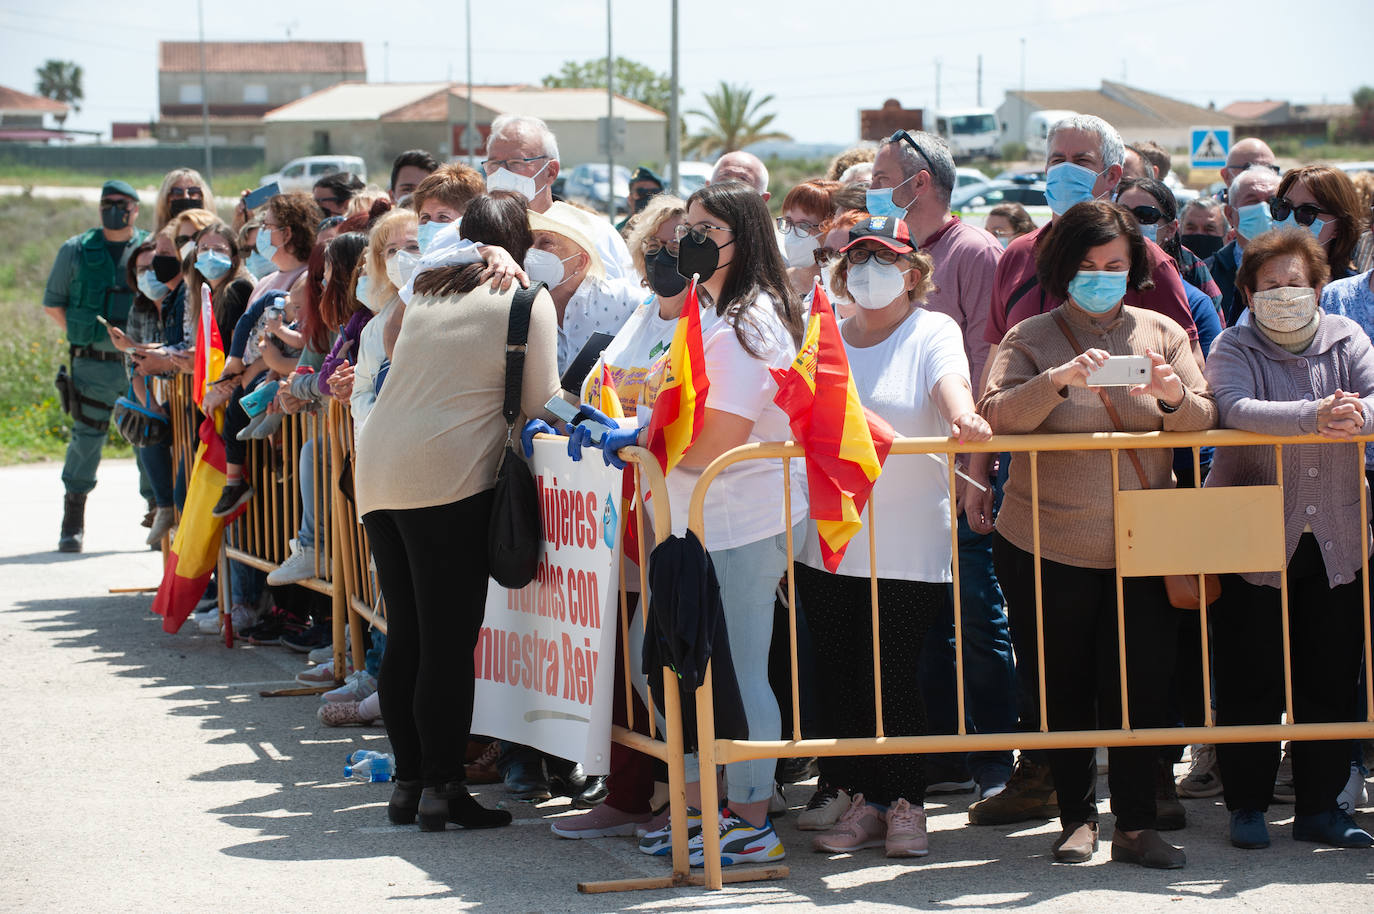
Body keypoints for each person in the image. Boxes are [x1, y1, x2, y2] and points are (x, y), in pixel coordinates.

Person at [570, 180, 807, 866]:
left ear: (744, 236)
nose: (690, 241)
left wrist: (638, 439)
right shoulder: (705, 311)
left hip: (739, 518)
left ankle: (753, 822)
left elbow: (720, 438)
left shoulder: (747, 321)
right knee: (668, 661)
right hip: (693, 520)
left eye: (708, 228)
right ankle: (709, 812)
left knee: (735, 670)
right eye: (687, 228)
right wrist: (633, 427)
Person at [980, 200, 1217, 868]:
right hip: (1044, 540)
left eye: (1115, 265)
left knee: (1142, 685)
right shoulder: (1029, 336)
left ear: (1134, 267)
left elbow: (1201, 418)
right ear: (1063, 267)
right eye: (1088, 266)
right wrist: (1057, 382)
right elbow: (997, 416)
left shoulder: (1164, 331)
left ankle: (1138, 823)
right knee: (1061, 685)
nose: (1103, 276)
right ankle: (1076, 818)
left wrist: (1172, 396)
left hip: (1146, 543)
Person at [354, 191, 562, 833]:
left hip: (380, 473)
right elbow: (541, 400)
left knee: (408, 635)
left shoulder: (428, 289)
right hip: (445, 478)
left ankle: (410, 783)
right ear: (521, 242)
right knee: (448, 643)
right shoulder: (527, 298)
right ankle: (444, 786)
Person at [794, 216, 991, 859]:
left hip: (905, 542)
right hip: (828, 536)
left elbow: (950, 385)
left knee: (895, 674)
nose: (868, 273)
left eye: (883, 259)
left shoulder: (933, 329)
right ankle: (862, 800)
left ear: (913, 273)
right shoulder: (822, 334)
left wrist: (964, 418)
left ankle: (906, 802)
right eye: (856, 261)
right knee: (844, 675)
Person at [1203, 227, 1374, 850]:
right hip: (1251, 537)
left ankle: (1321, 808)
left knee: (1328, 676)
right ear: (1247, 291)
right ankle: (1246, 805)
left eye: (1295, 283)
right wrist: (1314, 415)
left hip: (1335, 537)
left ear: (1318, 287)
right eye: (1269, 284)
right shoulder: (1231, 343)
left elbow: (1372, 396)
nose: (1284, 294)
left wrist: (1357, 414)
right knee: (1251, 676)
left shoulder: (1348, 337)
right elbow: (1232, 408)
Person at [868, 127, 1016, 799]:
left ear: (918, 181)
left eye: (880, 173)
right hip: (911, 477)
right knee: (927, 624)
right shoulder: (892, 255)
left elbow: (986, 365)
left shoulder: (975, 253)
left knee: (979, 620)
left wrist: (975, 475)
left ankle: (992, 762)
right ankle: (943, 756)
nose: (870, 187)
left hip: (962, 469)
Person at [548, 194, 689, 841]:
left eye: (682, 243)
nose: (667, 256)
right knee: (627, 663)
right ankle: (632, 789)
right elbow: (592, 392)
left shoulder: (708, 325)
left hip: (682, 521)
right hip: (622, 519)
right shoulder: (637, 320)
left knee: (673, 662)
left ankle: (682, 797)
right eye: (656, 245)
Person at [43, 179, 151, 552]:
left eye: (122, 202)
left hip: (139, 364)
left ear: (136, 208)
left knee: (148, 439)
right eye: (107, 202)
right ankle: (72, 521)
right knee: (85, 442)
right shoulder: (75, 250)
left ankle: (158, 515)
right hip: (91, 368)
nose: (113, 207)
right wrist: (86, 338)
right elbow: (53, 303)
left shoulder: (150, 248)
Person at [481, 114, 635, 279]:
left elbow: (629, 298)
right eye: (494, 164)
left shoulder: (595, 234)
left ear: (551, 171)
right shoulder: (468, 230)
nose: (502, 173)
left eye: (516, 163)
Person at [526, 202, 643, 374]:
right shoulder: (523, 306)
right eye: (530, 242)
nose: (532, 251)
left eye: (546, 242)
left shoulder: (627, 302)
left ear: (580, 262)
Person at [1116, 176, 1223, 322]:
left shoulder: (1193, 281)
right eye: (1122, 214)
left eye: (1146, 215)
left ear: (1171, 229)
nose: (1131, 223)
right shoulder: (1094, 271)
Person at [1209, 166, 1283, 326]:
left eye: (1272, 201)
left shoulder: (1304, 271)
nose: (1264, 209)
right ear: (1230, 214)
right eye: (1253, 201)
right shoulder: (1207, 273)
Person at [1271, 165, 1366, 282]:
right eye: (1283, 207)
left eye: (1307, 212)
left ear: (1339, 227)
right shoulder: (1252, 279)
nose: (1290, 220)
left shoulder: (1355, 294)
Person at [777, 180, 838, 296]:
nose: (793, 233)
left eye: (804, 226)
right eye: (788, 222)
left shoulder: (844, 289)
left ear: (831, 228)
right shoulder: (776, 285)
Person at [412, 163, 485, 253]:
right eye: (425, 217)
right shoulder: (410, 264)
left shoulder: (490, 264)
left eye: (443, 217)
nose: (431, 225)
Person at [616, 165, 665, 233]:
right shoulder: (616, 233)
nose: (649, 197)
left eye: (654, 193)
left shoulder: (672, 231)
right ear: (630, 199)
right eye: (641, 192)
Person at [1179, 197, 1229, 262]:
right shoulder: (1168, 268)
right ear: (1179, 231)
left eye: (1209, 229)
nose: (1199, 233)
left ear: (1228, 237)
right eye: (1191, 228)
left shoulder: (1237, 269)